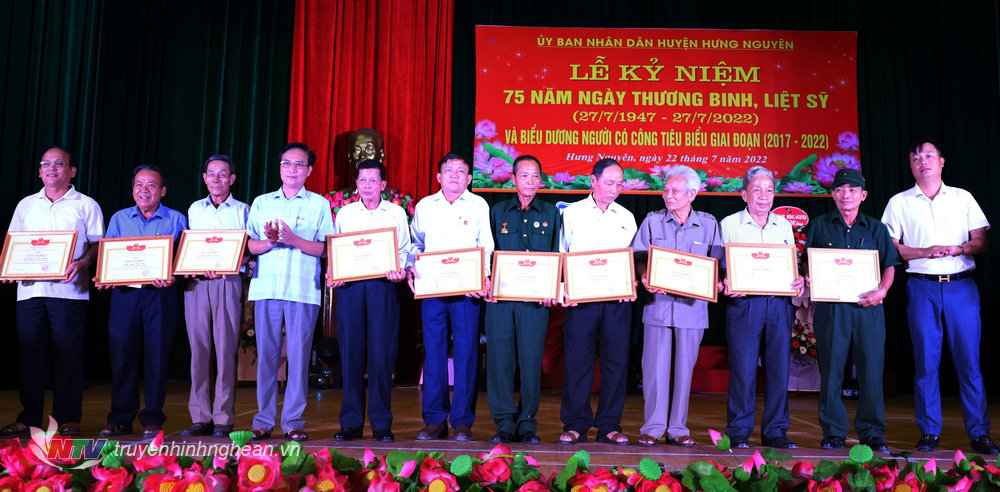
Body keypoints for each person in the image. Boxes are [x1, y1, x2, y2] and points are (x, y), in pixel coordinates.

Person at [881, 140, 998, 455]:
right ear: (911, 166)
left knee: (969, 362)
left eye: (929, 155)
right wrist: (925, 252)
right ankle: (929, 432)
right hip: (922, 287)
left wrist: (959, 249)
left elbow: (981, 240)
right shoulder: (899, 202)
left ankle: (980, 433)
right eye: (916, 157)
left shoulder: (962, 197)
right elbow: (891, 247)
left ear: (942, 161)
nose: (922, 161)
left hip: (961, 286)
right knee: (926, 362)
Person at [0, 146, 104, 437]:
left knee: (67, 357)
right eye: (46, 163)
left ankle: (67, 418)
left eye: (59, 163)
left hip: (69, 292)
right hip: (29, 292)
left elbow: (99, 244)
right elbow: (12, 244)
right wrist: (7, 268)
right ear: (39, 171)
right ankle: (29, 418)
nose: (52, 168)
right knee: (30, 356)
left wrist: (83, 262)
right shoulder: (26, 205)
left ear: (72, 171)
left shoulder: (86, 204)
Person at [803, 168, 900, 451]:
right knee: (831, 370)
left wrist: (882, 291)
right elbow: (808, 260)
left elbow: (889, 265)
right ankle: (833, 432)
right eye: (840, 189)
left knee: (871, 370)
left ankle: (872, 432)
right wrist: (809, 275)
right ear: (833, 194)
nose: (846, 194)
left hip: (868, 308)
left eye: (852, 190)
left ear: (863, 195)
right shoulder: (819, 225)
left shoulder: (876, 229)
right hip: (832, 309)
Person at [246, 142, 334, 442]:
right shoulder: (262, 203)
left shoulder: (319, 204)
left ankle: (293, 421)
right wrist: (270, 241)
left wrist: (294, 239)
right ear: (280, 167)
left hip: (302, 289)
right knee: (267, 357)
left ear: (309, 170)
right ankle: (263, 421)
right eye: (287, 163)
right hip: (267, 287)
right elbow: (249, 245)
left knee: (298, 358)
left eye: (299, 164)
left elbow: (325, 249)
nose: (292, 169)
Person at [630, 165, 723, 447]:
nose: (668, 196)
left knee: (685, 371)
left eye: (675, 191)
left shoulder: (709, 224)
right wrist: (644, 276)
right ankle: (653, 428)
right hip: (658, 306)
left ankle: (678, 429)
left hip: (692, 310)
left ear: (692, 194)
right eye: (666, 190)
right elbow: (638, 257)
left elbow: (718, 262)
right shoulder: (652, 221)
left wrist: (719, 282)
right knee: (654, 370)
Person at [408, 152, 494, 442]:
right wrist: (411, 265)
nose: (454, 175)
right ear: (439, 177)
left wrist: (483, 276)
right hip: (433, 289)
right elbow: (416, 243)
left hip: (467, 290)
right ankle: (434, 420)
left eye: (460, 171)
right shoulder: (425, 206)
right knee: (434, 352)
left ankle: (462, 422)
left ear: (469, 178)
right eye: (449, 170)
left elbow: (486, 244)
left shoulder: (478, 204)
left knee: (467, 353)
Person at [97, 165, 187, 438]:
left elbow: (183, 258)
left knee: (156, 357)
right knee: (122, 355)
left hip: (160, 295)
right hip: (125, 295)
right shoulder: (119, 218)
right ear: (132, 189)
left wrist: (172, 275)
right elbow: (108, 256)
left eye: (151, 185)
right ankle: (120, 419)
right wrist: (105, 275)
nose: (144, 190)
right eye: (139, 184)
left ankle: (153, 419)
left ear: (163, 191)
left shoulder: (176, 219)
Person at [327, 160, 410, 443]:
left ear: (383, 185)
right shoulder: (346, 214)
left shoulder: (396, 213)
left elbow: (404, 249)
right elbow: (337, 250)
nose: (367, 186)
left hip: (383, 287)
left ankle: (381, 424)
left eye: (373, 180)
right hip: (350, 288)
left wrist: (401, 268)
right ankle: (350, 423)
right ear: (356, 184)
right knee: (350, 354)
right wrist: (334, 272)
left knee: (381, 354)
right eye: (362, 180)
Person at [720, 165, 803, 449]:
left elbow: (792, 265)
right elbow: (719, 265)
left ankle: (776, 431)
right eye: (757, 189)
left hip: (779, 304)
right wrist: (725, 279)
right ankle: (739, 430)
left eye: (769, 190)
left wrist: (798, 279)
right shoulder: (729, 224)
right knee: (743, 369)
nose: (763, 195)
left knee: (778, 369)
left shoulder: (784, 226)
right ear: (744, 194)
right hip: (744, 304)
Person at [558, 158, 637, 446]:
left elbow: (632, 258)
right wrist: (563, 287)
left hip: (617, 299)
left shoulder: (626, 216)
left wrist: (632, 281)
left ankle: (609, 425)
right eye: (609, 182)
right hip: (580, 299)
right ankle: (576, 424)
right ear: (593, 181)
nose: (614, 189)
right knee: (578, 361)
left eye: (619, 184)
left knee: (616, 362)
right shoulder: (572, 213)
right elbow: (561, 253)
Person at [484, 155, 561, 444]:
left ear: (541, 180)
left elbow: (556, 253)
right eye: (524, 175)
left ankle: (528, 421)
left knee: (530, 361)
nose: (530, 181)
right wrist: (487, 281)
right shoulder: (497, 211)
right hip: (501, 300)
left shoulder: (551, 213)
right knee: (500, 360)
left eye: (535, 176)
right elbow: (487, 250)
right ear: (513, 178)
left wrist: (553, 288)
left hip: (535, 301)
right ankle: (504, 421)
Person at [181, 154, 249, 439]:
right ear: (204, 178)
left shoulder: (243, 210)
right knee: (199, 351)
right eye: (211, 174)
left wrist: (233, 264)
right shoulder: (194, 209)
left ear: (232, 179)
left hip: (228, 282)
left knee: (225, 351)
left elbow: (249, 249)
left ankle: (223, 418)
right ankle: (200, 416)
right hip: (197, 285)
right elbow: (188, 247)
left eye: (223, 174)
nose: (216, 179)